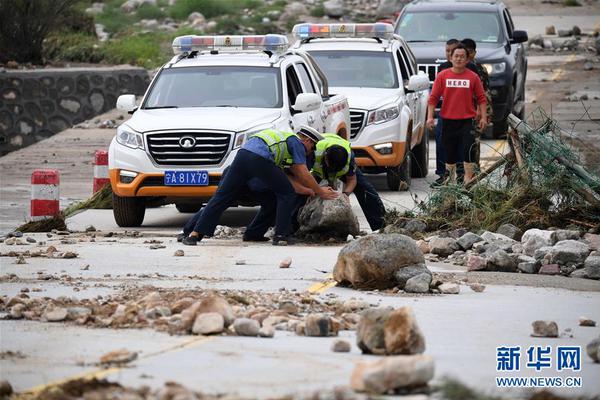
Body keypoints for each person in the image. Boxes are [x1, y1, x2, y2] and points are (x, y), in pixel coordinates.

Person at [180, 126, 338, 246]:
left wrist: (311, 191)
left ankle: (194, 234)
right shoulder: (296, 142)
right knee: (286, 194)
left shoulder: (281, 141)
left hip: (242, 155)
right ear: (307, 140)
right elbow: (302, 172)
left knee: (222, 197)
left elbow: (291, 177)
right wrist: (320, 192)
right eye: (312, 147)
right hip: (259, 158)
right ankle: (282, 236)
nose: (310, 152)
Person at [426, 44, 487, 184]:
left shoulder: (473, 77)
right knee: (449, 152)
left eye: (462, 57)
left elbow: (481, 98)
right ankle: (449, 179)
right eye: (456, 56)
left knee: (468, 149)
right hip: (448, 120)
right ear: (450, 58)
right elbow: (433, 98)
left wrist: (483, 117)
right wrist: (430, 117)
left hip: (467, 120)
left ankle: (468, 179)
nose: (459, 59)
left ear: (467, 60)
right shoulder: (443, 76)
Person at [310, 133, 386, 231]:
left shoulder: (348, 157)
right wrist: (317, 190)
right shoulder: (313, 151)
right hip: (316, 169)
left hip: (334, 160)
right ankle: (294, 227)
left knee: (366, 189)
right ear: (325, 158)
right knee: (303, 190)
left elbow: (352, 180)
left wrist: (345, 194)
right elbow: (304, 176)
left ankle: (380, 226)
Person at [461, 38, 493, 167]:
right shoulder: (457, 68)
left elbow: (484, 94)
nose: (467, 55)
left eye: (470, 52)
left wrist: (484, 114)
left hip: (476, 111)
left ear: (474, 52)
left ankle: (474, 169)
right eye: (465, 52)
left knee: (474, 141)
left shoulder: (479, 69)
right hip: (460, 111)